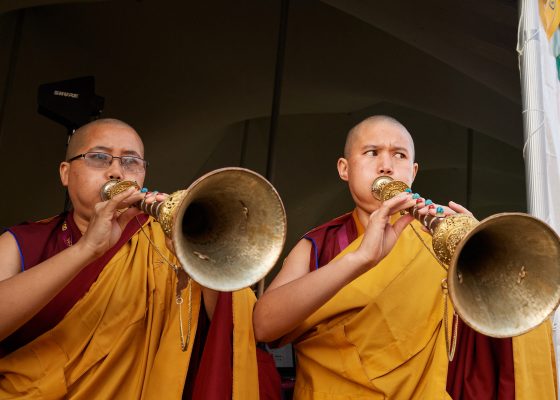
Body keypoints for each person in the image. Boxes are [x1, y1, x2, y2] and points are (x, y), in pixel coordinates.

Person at [253, 115, 556, 399]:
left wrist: (479, 254)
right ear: (345, 168)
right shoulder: (321, 244)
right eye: (371, 152)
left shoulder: (438, 241)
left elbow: (509, 317)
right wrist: (358, 260)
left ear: (412, 172)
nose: (386, 166)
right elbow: (263, 326)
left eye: (399, 155)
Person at [0, 118, 279, 399]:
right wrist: (85, 251)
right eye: (99, 157)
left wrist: (193, 255)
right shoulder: (23, 241)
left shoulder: (160, 242)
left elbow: (230, 326)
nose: (116, 172)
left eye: (131, 162)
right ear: (65, 172)